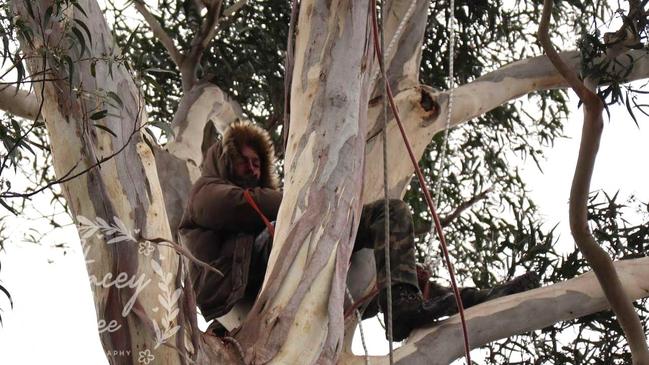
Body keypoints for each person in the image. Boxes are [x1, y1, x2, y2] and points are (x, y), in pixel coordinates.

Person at [179, 121, 539, 341]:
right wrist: (313, 199)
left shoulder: (265, 200)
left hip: (279, 277)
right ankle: (403, 297)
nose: (253, 168)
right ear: (225, 158)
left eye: (258, 163)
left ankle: (444, 298)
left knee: (389, 233)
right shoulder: (206, 192)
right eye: (244, 159)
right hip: (237, 290)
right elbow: (239, 206)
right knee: (322, 226)